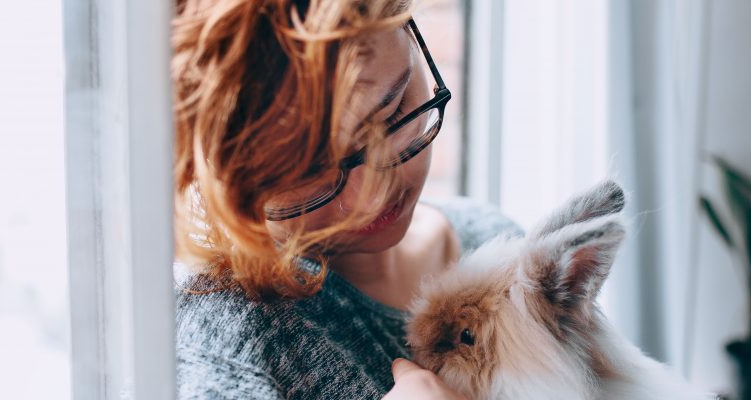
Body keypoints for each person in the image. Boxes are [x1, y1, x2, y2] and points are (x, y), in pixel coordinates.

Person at [172, 0, 520, 398]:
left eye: (392, 114)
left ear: (412, 35)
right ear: (214, 166)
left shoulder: (496, 247)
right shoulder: (220, 348)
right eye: (308, 169)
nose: (372, 197)